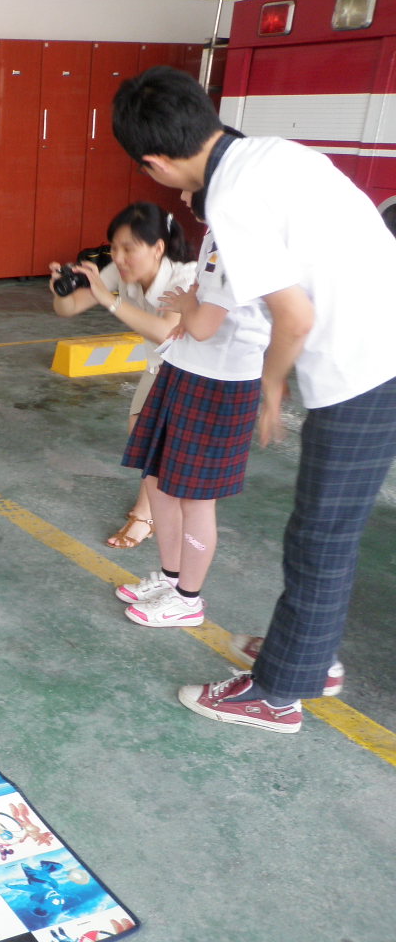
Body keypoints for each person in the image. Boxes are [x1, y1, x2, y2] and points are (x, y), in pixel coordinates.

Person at [113, 66, 396, 733]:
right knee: (325, 532)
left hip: (365, 365)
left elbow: (293, 316)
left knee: (320, 536)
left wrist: (272, 387)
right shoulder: (272, 153)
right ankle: (309, 655)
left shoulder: (233, 197)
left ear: (156, 163)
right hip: (377, 343)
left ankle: (276, 693)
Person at [113, 185, 270, 632]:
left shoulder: (243, 239)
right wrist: (189, 305)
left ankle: (188, 599)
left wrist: (186, 306)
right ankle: (170, 578)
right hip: (186, 369)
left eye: (191, 185)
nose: (183, 194)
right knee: (159, 482)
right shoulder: (214, 233)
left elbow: (202, 324)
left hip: (220, 384)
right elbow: (200, 296)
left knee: (196, 499)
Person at [48, 202, 195, 549]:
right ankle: (151, 509)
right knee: (144, 437)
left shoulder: (185, 276)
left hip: (196, 371)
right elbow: (70, 308)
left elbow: (166, 332)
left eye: (129, 249)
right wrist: (60, 289)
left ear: (157, 248)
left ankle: (147, 516)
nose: (119, 257)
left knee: (152, 439)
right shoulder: (119, 269)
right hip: (160, 366)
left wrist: (110, 301)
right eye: (114, 248)